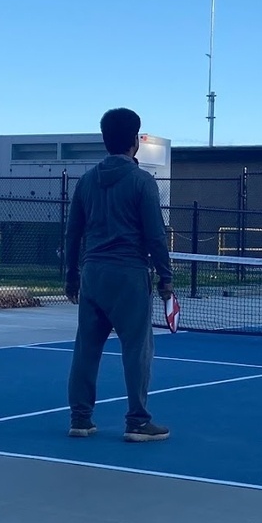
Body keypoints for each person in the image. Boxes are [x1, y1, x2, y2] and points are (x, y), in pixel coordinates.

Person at [64, 108, 174, 442]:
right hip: (129, 275)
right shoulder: (142, 182)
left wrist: (71, 275)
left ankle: (80, 419)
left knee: (86, 349)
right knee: (137, 350)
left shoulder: (86, 181)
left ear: (105, 140)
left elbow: (73, 233)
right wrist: (166, 276)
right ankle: (137, 421)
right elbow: (155, 234)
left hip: (93, 274)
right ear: (134, 142)